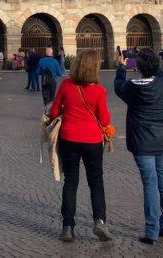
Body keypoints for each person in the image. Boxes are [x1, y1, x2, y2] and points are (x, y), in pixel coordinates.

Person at [49, 49, 113, 243]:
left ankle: (68, 226)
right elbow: (104, 119)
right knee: (96, 182)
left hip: (69, 138)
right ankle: (99, 222)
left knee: (71, 182)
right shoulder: (99, 91)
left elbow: (54, 111)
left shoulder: (66, 85)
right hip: (92, 141)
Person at [114, 49, 163, 245]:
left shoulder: (132, 87)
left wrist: (122, 67)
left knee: (150, 185)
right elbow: (162, 73)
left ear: (138, 67)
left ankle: (152, 231)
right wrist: (152, 63)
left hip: (143, 142)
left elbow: (118, 86)